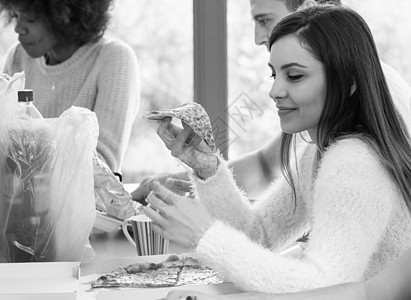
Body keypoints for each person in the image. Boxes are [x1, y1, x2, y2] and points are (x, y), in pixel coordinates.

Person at [144, 4, 411, 295]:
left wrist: (204, 235)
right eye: (274, 75)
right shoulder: (318, 151)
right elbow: (259, 235)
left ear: (348, 84)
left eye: (294, 76)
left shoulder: (354, 161)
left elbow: (324, 287)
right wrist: (209, 169)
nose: (275, 91)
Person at [131, 0, 411, 203]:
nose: (257, 38)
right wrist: (186, 182)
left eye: (263, 20)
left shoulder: (372, 98)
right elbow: (265, 167)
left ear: (309, 10)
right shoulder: (314, 135)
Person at [0, 0, 140, 172]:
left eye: (30, 18)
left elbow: (102, 166)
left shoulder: (114, 58)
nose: (18, 28)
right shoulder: (17, 57)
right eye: (16, 15)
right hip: (20, 196)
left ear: (64, 17)